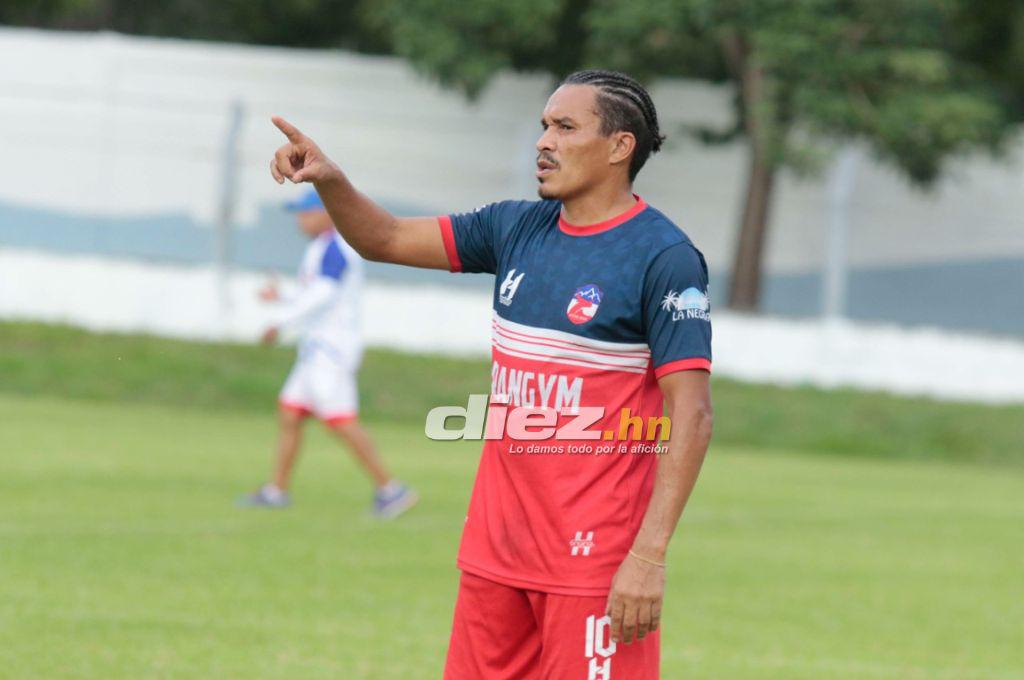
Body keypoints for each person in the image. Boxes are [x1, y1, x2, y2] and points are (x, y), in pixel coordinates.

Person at [269, 70, 713, 679]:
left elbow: (691, 413)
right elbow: (386, 237)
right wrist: (331, 179)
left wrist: (649, 556)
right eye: (543, 127)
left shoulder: (663, 258)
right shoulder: (514, 229)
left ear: (619, 146)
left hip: (593, 564)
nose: (543, 142)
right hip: (495, 554)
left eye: (565, 127)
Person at [240, 188, 418, 520]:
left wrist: (280, 321)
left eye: (306, 213)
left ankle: (392, 490)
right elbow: (314, 293)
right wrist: (283, 296)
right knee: (291, 412)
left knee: (340, 420)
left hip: (331, 351)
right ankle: (276, 491)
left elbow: (323, 294)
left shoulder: (337, 246)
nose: (300, 220)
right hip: (316, 350)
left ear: (327, 213)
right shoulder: (321, 248)